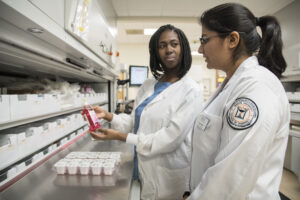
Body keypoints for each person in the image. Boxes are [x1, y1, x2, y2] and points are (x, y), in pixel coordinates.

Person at [185, 3, 290, 200]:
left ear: (232, 40)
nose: (200, 49)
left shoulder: (256, 89)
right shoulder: (232, 84)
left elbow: (231, 179)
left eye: (204, 40)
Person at [87, 24, 203, 200]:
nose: (169, 50)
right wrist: (108, 116)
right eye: (162, 46)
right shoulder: (149, 85)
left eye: (174, 44)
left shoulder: (191, 91)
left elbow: (169, 139)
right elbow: (135, 122)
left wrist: (120, 137)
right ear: (156, 52)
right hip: (141, 167)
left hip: (168, 177)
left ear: (183, 48)